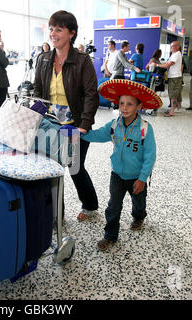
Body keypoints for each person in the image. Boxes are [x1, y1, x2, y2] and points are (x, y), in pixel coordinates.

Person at [80, 79, 161, 251]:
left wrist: (142, 178)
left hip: (136, 176)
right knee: (113, 206)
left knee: (138, 201)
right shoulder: (114, 125)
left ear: (139, 106)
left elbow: (150, 156)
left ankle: (139, 216)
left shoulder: (145, 129)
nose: (124, 107)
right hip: (116, 174)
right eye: (122, 103)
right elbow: (98, 135)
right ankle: (110, 236)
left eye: (130, 104)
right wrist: (80, 134)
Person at [34, 10, 99, 221]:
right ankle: (56, 216)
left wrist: (84, 126)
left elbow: (91, 94)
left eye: (59, 29)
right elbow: (37, 91)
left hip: (75, 125)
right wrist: (36, 116)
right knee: (51, 171)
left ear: (71, 33)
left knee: (75, 168)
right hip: (50, 125)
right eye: (51, 29)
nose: (53, 33)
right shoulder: (43, 59)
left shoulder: (82, 60)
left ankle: (89, 205)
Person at [157, 41, 182, 117]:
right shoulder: (174, 54)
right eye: (171, 46)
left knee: (173, 94)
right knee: (175, 93)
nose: (171, 48)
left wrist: (157, 64)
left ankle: (172, 112)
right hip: (173, 76)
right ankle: (176, 108)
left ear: (178, 46)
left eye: (173, 46)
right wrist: (160, 64)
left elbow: (168, 65)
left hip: (175, 77)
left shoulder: (176, 54)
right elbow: (167, 63)